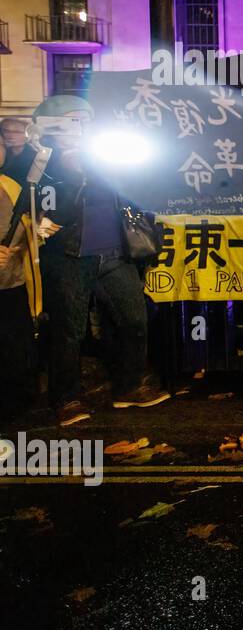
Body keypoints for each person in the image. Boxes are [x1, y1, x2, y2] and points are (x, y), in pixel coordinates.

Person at [33, 95, 170, 424]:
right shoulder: (41, 163)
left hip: (114, 254)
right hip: (68, 257)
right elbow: (48, 209)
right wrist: (71, 171)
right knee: (70, 332)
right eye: (72, 121)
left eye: (85, 121)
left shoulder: (103, 158)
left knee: (134, 321)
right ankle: (66, 398)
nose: (81, 129)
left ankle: (130, 386)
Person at [0, 142, 42, 419]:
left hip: (12, 284)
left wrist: (38, 230)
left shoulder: (10, 185)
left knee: (14, 354)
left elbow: (27, 224)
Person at [1, 117, 35, 183]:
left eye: (17, 131)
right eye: (6, 131)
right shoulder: (3, 153)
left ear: (29, 135)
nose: (10, 135)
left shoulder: (36, 157)